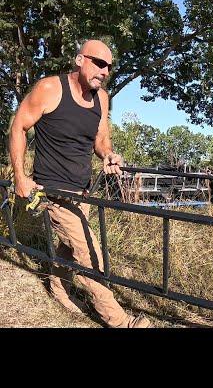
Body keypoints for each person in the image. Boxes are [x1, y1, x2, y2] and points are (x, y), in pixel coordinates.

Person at [9, 39, 151, 328]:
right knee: (88, 253)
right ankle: (120, 321)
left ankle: (58, 289)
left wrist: (108, 154)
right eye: (99, 63)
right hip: (52, 191)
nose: (105, 70)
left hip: (83, 191)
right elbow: (18, 127)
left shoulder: (102, 98)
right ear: (79, 60)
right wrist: (21, 177)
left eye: (109, 67)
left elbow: (101, 139)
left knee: (71, 246)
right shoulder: (49, 89)